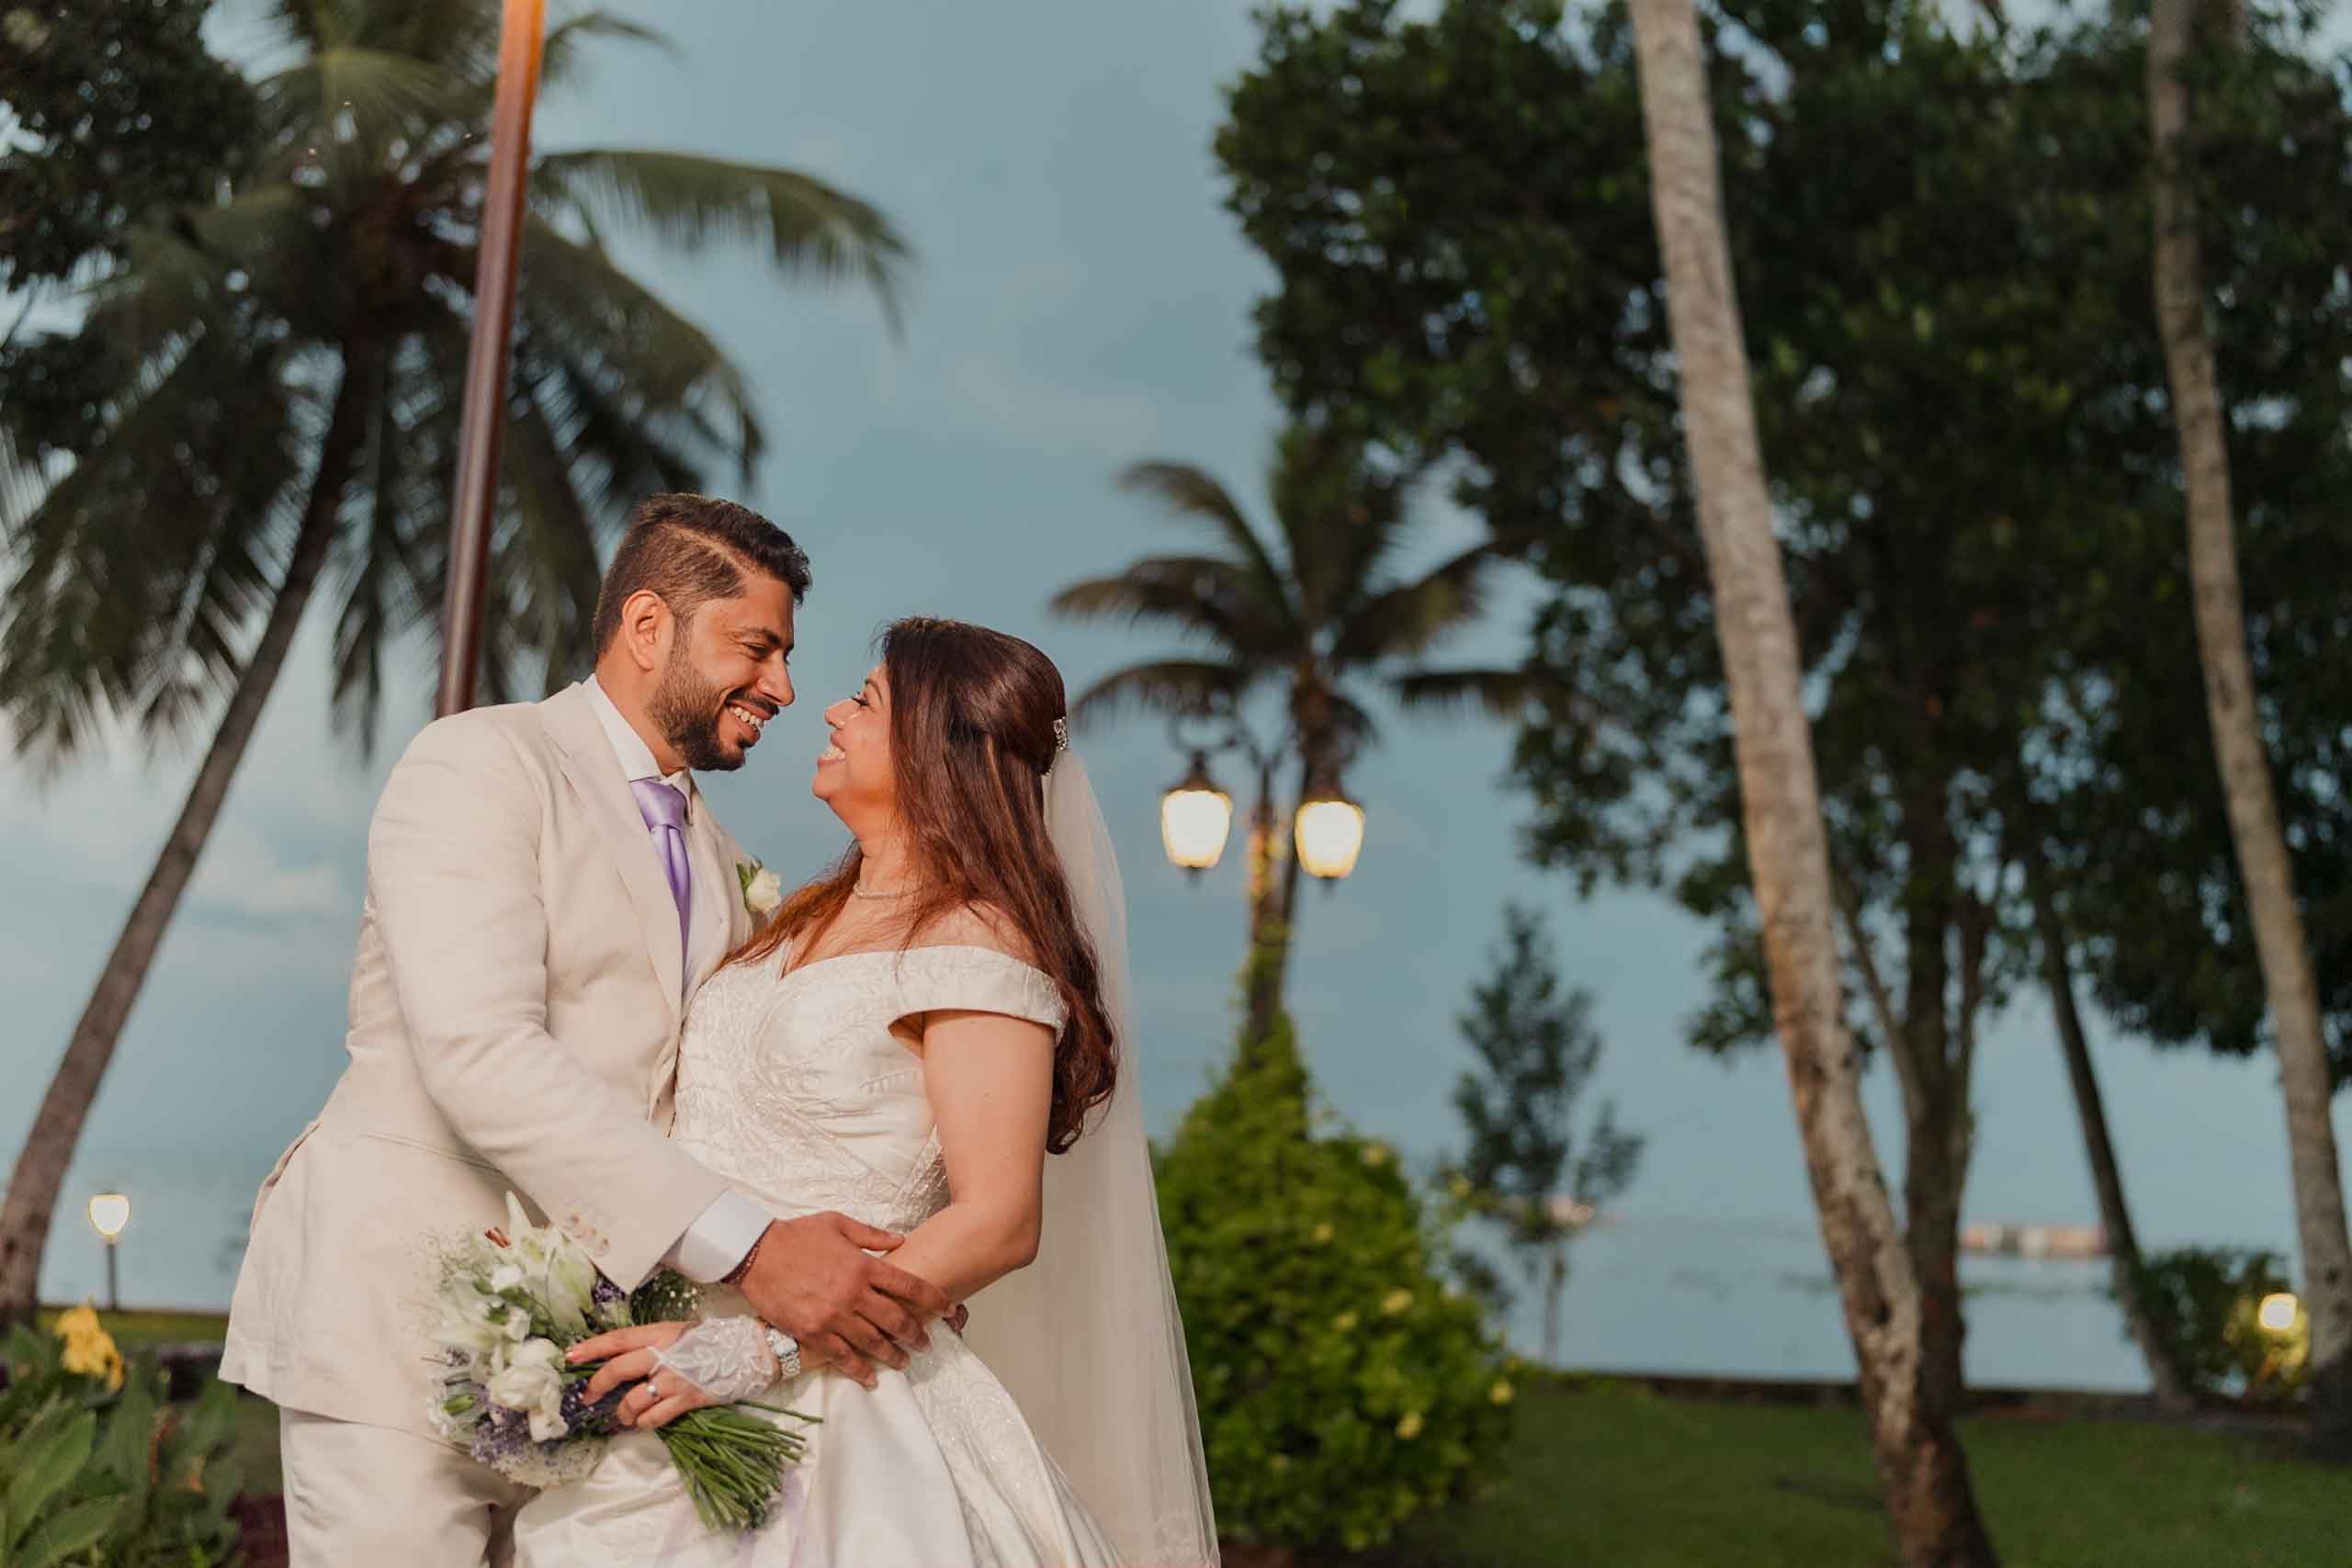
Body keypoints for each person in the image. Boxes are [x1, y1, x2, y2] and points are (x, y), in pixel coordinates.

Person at [221, 496, 957, 1565]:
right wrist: (756, 1253)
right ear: (648, 626)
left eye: (788, 656)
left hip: (595, 1367)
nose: (784, 688)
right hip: (389, 1329)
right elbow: (479, 1052)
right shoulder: (479, 764)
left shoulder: (722, 856)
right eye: (756, 648)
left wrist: (885, 1257)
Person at [511, 618, 1218, 1567]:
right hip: (672, 1353)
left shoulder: (975, 944)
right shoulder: (797, 918)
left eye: (870, 700)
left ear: (941, 749)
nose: (832, 709)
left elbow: (1001, 1218)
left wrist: (755, 1353)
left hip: (847, 1414)